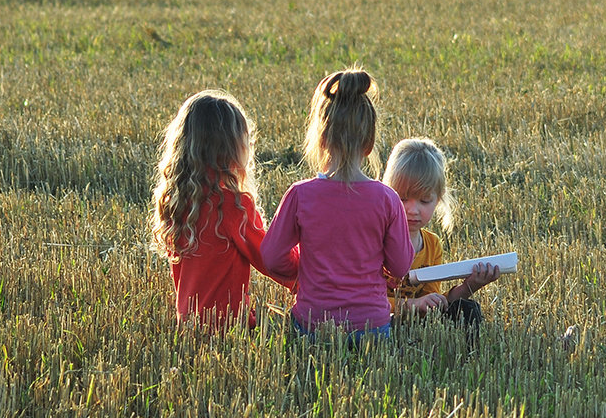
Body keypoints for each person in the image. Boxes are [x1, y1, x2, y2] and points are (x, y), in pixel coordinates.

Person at [261, 69, 412, 343]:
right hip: (372, 329)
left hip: (313, 325)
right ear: (369, 143)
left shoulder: (300, 195)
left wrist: (301, 270)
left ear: (322, 138)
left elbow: (271, 256)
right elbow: (401, 266)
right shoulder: (387, 199)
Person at [150, 90, 298, 329]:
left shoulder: (176, 202)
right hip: (227, 328)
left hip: (189, 327)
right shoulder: (231, 205)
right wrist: (309, 275)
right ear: (233, 148)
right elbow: (270, 258)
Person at [385, 137, 500, 328]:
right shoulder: (375, 239)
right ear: (387, 194)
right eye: (403, 198)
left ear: (438, 200)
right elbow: (364, 302)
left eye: (424, 201)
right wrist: (411, 305)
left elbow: (434, 304)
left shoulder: (432, 245)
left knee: (467, 310)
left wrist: (470, 285)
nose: (413, 210)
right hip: (380, 324)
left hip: (416, 327)